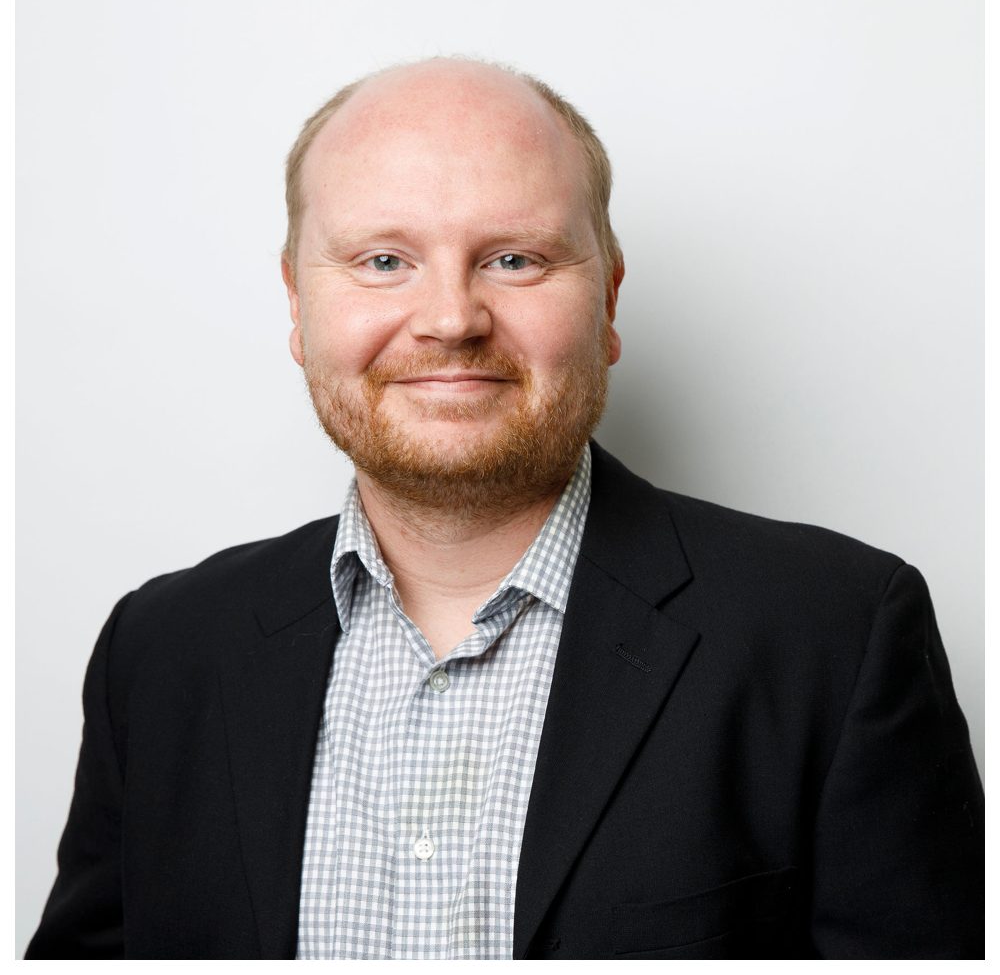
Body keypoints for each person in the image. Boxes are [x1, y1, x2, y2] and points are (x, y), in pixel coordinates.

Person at [25, 57, 983, 961]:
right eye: (383, 260)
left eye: (516, 259)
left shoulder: (837, 635)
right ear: (296, 304)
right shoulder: (160, 651)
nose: (451, 319)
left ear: (608, 300)